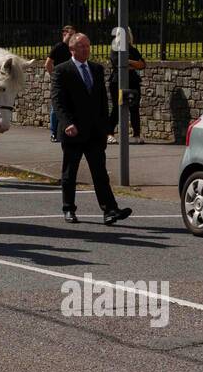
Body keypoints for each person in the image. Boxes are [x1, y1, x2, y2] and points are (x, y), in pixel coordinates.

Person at [51, 34, 132, 225]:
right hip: (73, 131)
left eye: (88, 46)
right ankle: (69, 209)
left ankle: (110, 210)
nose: (86, 50)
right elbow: (58, 100)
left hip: (95, 131)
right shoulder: (62, 71)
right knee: (70, 173)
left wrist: (106, 127)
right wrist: (67, 123)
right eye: (81, 47)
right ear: (72, 49)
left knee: (100, 172)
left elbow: (103, 100)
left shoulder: (96, 69)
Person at [107, 27, 146, 144]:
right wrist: (132, 63)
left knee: (134, 108)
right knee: (117, 108)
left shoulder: (132, 49)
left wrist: (128, 62)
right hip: (117, 82)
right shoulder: (115, 49)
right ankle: (109, 133)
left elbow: (142, 64)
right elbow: (118, 63)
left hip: (132, 82)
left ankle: (136, 134)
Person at [45, 24, 76, 143]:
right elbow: (48, 64)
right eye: (70, 34)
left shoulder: (73, 48)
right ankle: (53, 132)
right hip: (59, 81)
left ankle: (67, 130)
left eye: (74, 34)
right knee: (55, 106)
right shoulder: (58, 47)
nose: (73, 36)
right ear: (64, 34)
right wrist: (55, 77)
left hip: (71, 81)